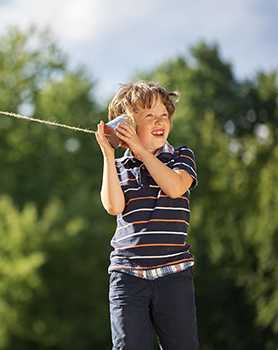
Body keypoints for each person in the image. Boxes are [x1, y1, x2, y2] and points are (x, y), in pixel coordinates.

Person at [95, 81, 199, 350]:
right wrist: (108, 155)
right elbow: (113, 207)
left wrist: (142, 152)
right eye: (149, 115)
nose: (159, 121)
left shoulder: (181, 156)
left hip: (174, 276)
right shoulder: (119, 167)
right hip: (127, 278)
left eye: (163, 114)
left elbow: (175, 187)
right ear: (127, 125)